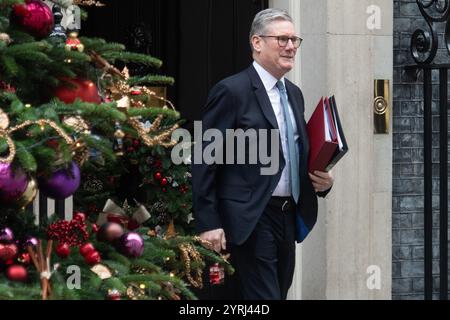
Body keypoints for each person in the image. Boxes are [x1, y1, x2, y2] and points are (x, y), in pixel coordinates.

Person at [192, 8, 334, 300]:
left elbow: (295, 152)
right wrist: (208, 222)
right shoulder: (231, 91)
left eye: (294, 39)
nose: (291, 46)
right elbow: (204, 160)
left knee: (278, 293)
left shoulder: (294, 93)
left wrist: (322, 179)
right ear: (257, 43)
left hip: (288, 217)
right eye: (282, 39)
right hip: (250, 218)